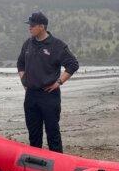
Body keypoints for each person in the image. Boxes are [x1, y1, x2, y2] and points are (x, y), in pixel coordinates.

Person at [17, 11, 79, 153]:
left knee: (52, 133)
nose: (29, 28)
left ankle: (59, 166)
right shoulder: (28, 44)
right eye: (29, 25)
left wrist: (59, 82)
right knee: (34, 135)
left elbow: (73, 64)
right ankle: (35, 166)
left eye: (32, 25)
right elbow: (20, 63)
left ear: (42, 26)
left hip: (49, 95)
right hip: (31, 95)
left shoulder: (57, 45)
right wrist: (24, 80)